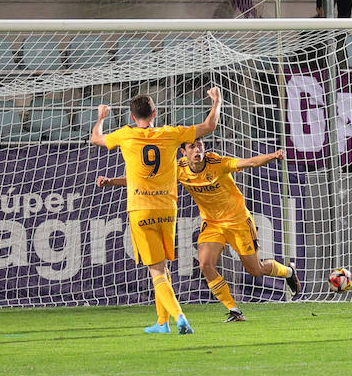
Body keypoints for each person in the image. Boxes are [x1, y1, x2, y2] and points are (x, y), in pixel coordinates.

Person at [96, 141, 300, 322]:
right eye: (192, 146)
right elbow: (147, 181)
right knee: (205, 264)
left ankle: (288, 271)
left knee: (255, 270)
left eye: (200, 145)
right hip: (212, 224)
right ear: (183, 152)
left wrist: (273, 156)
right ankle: (234, 310)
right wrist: (112, 181)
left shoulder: (217, 163)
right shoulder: (178, 169)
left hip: (238, 222)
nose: (197, 149)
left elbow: (249, 163)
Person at [89, 88, 223, 335]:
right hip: (167, 210)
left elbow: (95, 138)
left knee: (156, 270)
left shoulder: (125, 135)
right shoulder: (170, 133)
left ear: (131, 117)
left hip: (140, 210)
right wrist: (216, 101)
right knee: (162, 267)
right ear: (155, 113)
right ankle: (163, 323)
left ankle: (179, 316)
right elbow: (209, 125)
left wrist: (101, 117)